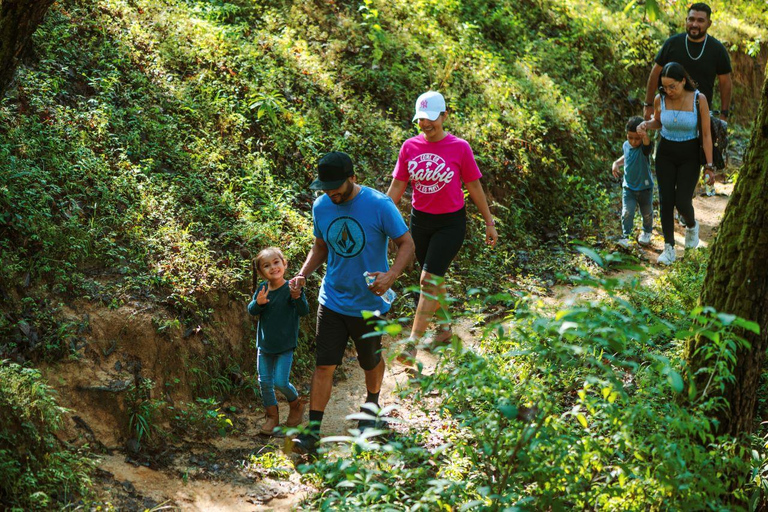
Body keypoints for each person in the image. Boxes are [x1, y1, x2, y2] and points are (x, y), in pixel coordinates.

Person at [290, 151, 415, 454]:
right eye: (326, 187)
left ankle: (371, 406)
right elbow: (320, 246)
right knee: (324, 366)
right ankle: (312, 432)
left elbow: (407, 244)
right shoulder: (321, 206)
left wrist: (391, 275)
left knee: (369, 360)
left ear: (353, 179)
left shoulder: (379, 205)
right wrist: (303, 274)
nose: (331, 193)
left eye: (337, 187)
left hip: (369, 302)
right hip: (331, 298)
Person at [386, 91, 497, 362]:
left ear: (444, 115)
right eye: (421, 119)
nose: (425, 124)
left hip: (451, 224)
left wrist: (489, 222)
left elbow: (473, 185)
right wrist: (380, 217)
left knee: (428, 280)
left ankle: (412, 343)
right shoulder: (409, 147)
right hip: (420, 222)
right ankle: (445, 329)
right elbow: (398, 185)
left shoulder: (460, 147)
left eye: (431, 119)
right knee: (435, 280)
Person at [637, 62, 714, 265]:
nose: (669, 91)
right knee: (666, 199)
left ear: (683, 81)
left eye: (673, 86)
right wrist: (647, 124)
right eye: (665, 87)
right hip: (665, 153)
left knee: (682, 201)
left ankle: (691, 225)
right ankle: (669, 247)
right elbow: (659, 122)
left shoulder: (699, 99)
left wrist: (709, 165)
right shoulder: (659, 99)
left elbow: (706, 134)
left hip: (689, 154)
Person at [247, 247, 310, 435]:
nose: (273, 267)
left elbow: (304, 311)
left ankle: (296, 404)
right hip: (265, 345)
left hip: (285, 345)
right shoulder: (263, 289)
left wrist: (297, 297)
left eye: (276, 262)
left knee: (281, 382)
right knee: (264, 383)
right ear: (260, 272)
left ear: (285, 264)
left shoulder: (292, 287)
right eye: (267, 266)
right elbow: (251, 311)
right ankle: (272, 417)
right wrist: (258, 303)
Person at [643, 2, 732, 124]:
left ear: (709, 24)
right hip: (669, 113)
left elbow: (725, 82)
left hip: (700, 114)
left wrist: (724, 113)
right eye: (691, 19)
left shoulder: (717, 49)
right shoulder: (672, 44)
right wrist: (648, 104)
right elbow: (655, 73)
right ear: (686, 20)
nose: (694, 24)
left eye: (700, 20)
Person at [612, 117, 654, 249]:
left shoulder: (644, 147)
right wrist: (616, 163)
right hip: (628, 187)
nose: (633, 141)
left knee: (646, 212)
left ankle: (647, 232)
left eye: (637, 138)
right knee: (626, 212)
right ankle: (627, 236)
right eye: (630, 137)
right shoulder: (626, 145)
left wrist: (644, 135)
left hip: (645, 187)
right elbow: (626, 156)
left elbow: (648, 145)